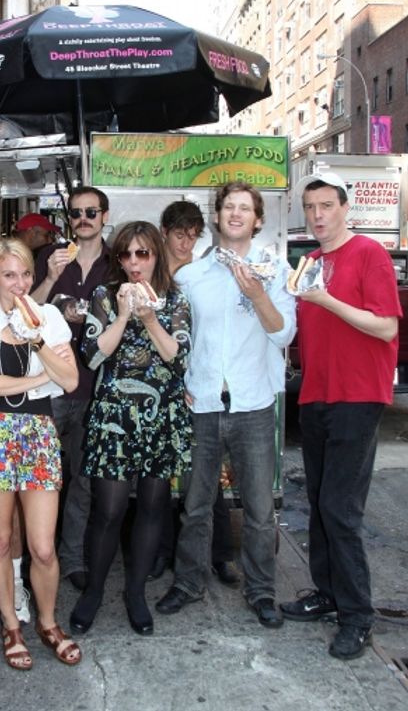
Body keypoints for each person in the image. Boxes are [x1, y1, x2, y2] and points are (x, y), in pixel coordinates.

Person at [156, 182, 296, 628]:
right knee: (196, 503)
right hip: (203, 404)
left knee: (258, 509)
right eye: (228, 207)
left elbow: (283, 335)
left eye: (245, 208)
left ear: (258, 219)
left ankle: (261, 592)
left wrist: (256, 294)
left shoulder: (275, 270)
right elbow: (178, 338)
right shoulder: (191, 276)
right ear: (217, 218)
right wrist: (180, 383)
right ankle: (189, 583)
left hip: (254, 404)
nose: (235, 214)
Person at [280, 173, 401, 660]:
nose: (318, 215)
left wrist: (326, 299)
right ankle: (327, 593)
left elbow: (386, 326)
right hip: (315, 395)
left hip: (358, 394)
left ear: (344, 208)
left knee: (340, 510)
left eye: (326, 205)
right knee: (317, 501)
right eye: (310, 207)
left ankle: (357, 616)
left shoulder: (368, 254)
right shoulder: (307, 261)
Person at [0, 238, 81, 669]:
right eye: (9, 275)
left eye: (26, 274)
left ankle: (48, 623)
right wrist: (38, 380)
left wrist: (38, 344)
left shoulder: (48, 318)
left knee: (44, 547)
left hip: (39, 434)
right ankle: (11, 624)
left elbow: (69, 381)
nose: (19, 283)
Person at [69, 221, 193, 637]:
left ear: (156, 254)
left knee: (154, 507)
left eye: (143, 253)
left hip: (161, 416)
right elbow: (91, 357)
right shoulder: (104, 295)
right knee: (108, 510)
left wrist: (151, 318)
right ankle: (94, 592)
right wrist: (123, 315)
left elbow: (178, 358)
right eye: (126, 254)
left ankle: (136, 593)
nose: (135, 262)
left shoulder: (175, 299)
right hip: (114, 417)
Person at [31, 186, 110, 591]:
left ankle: (73, 558)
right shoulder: (50, 257)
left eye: (91, 212)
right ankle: (34, 558)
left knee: (82, 480)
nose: (84, 219)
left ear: (104, 216)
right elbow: (29, 309)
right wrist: (49, 277)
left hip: (96, 389)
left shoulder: (116, 262)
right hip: (49, 386)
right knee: (39, 477)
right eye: (77, 213)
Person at [157, 200, 238, 586]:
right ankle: (161, 552)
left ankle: (221, 554)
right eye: (179, 234)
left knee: (204, 481)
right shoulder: (155, 274)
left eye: (192, 235)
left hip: (198, 387)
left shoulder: (204, 274)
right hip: (158, 387)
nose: (185, 242)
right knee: (158, 474)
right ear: (165, 233)